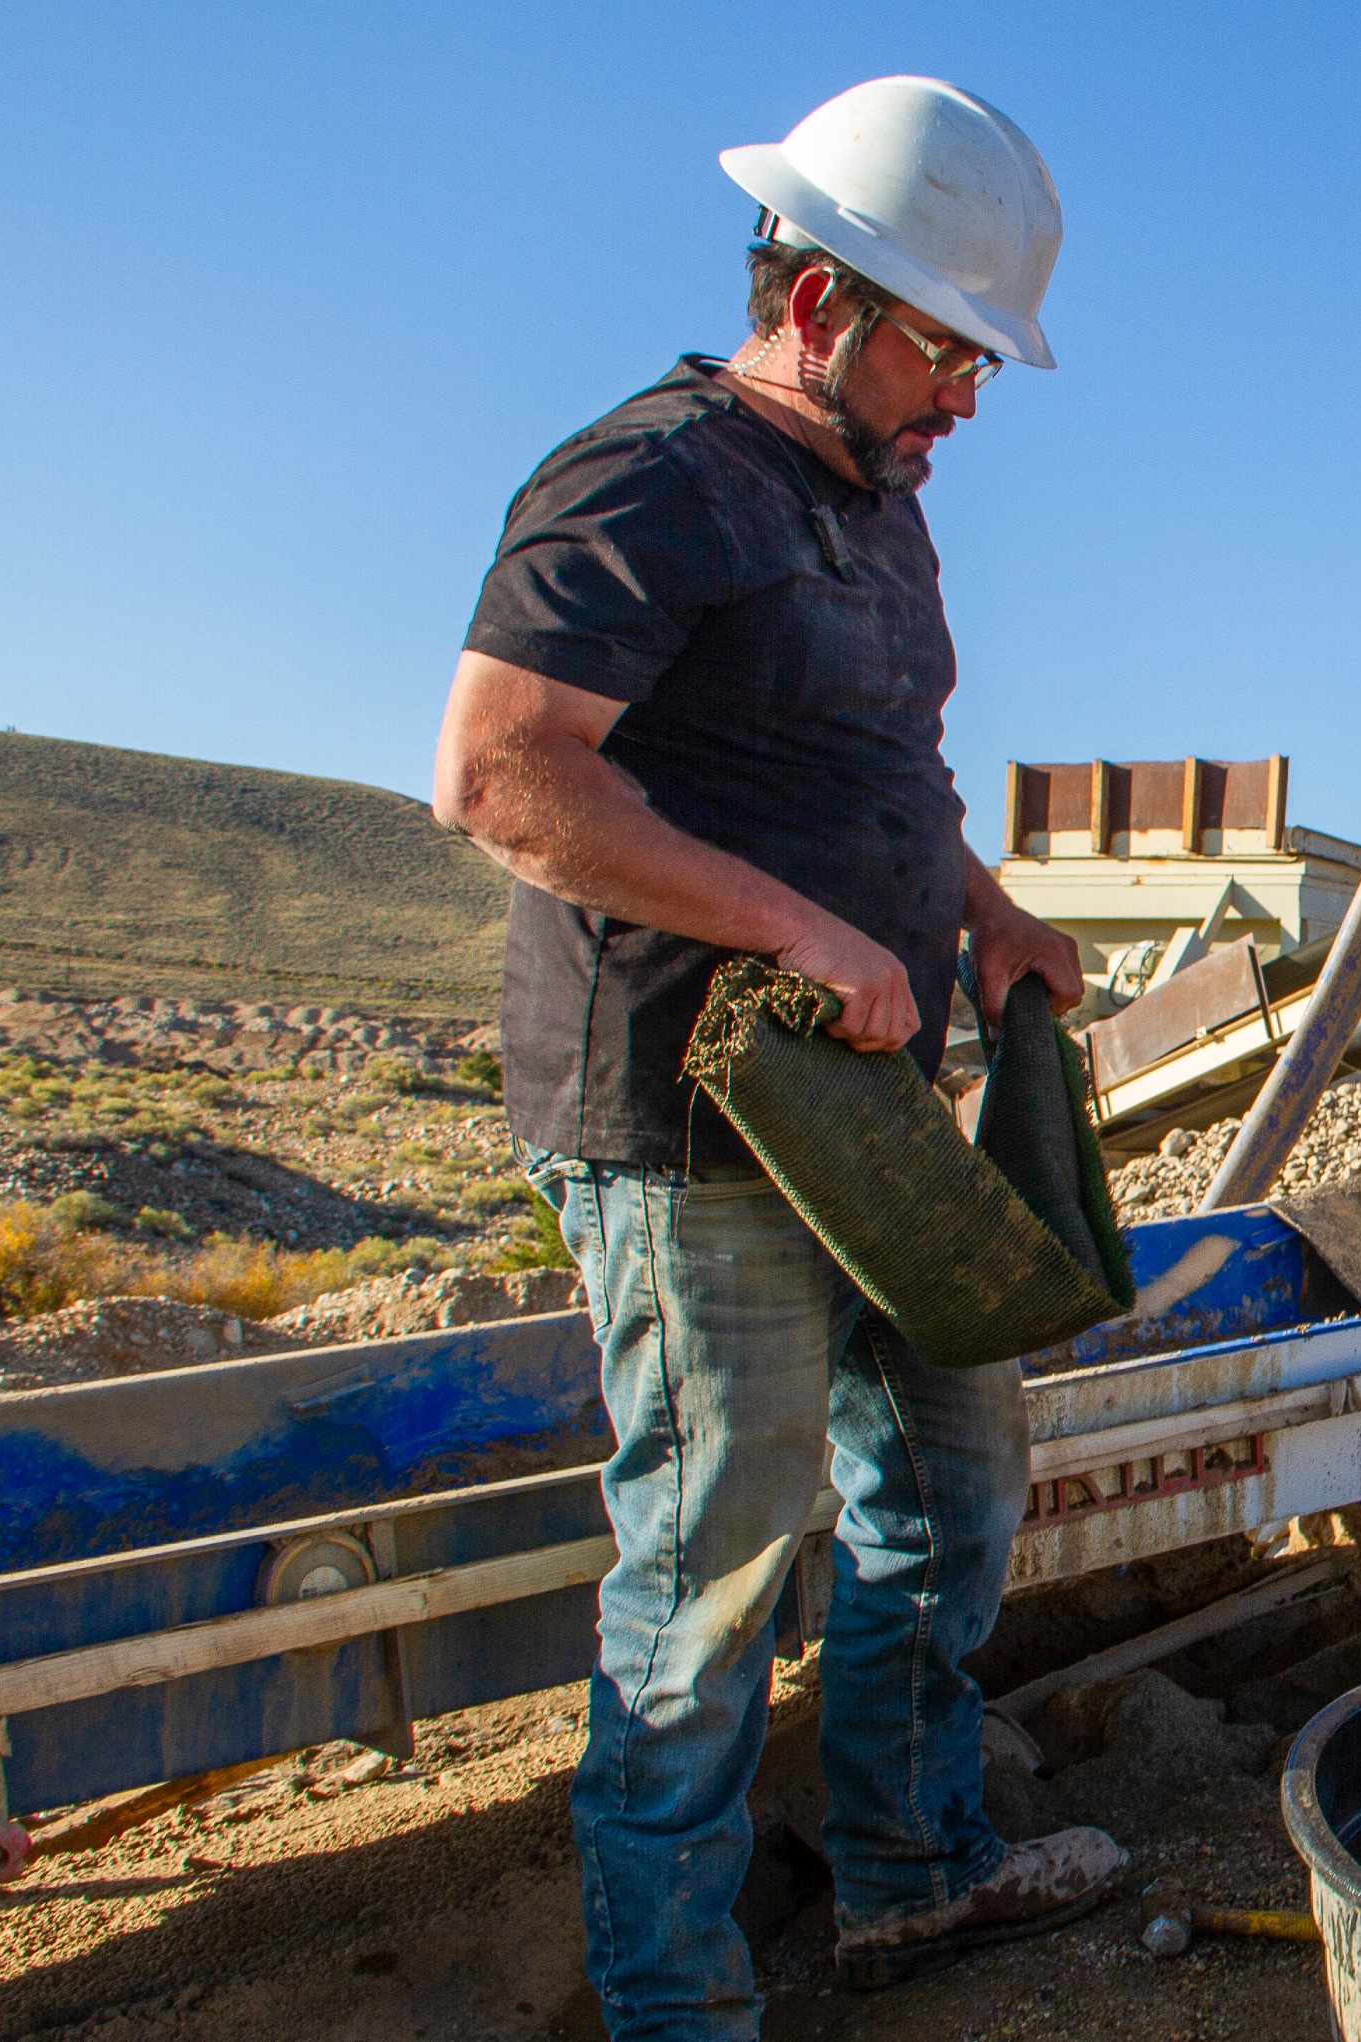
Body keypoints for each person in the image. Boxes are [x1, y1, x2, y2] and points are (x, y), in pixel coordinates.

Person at [430, 76, 1124, 2040]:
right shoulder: (643, 480)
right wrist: (801, 931)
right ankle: (674, 2001)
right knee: (718, 1553)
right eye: (947, 349)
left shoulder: (874, 512)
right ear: (819, 303)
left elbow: (868, 773)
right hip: (689, 1109)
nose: (968, 399)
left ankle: (912, 1872)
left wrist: (974, 910)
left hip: (864, 1101)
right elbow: (496, 774)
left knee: (953, 1470)